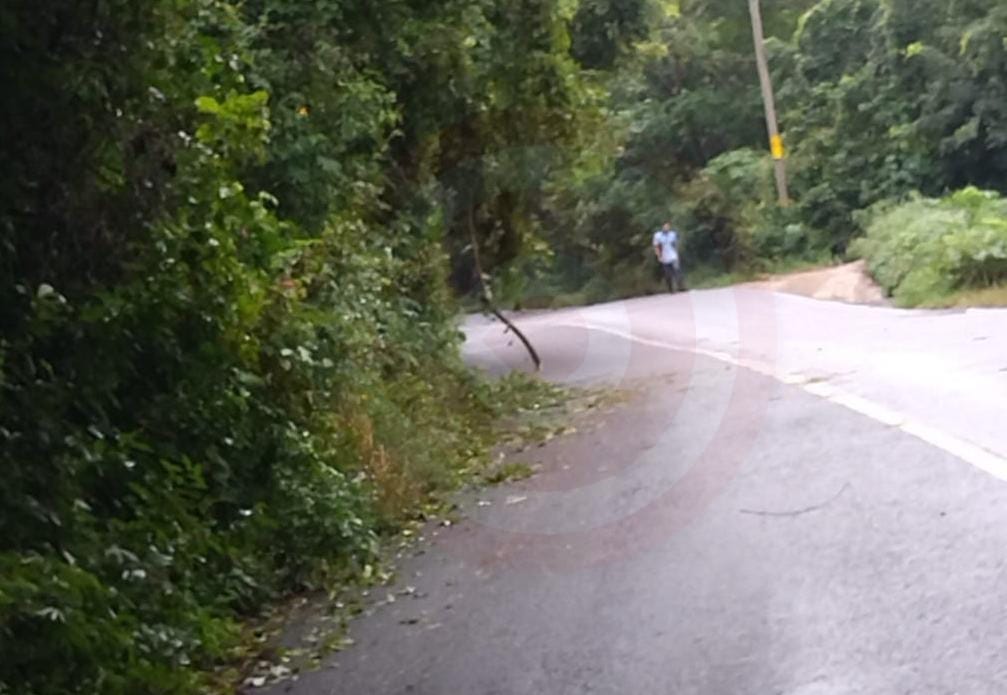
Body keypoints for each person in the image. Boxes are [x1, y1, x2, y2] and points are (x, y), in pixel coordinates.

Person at [653, 222, 686, 293]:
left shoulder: (672, 234)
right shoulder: (657, 236)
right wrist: (658, 256)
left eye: (668, 227)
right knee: (668, 274)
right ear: (662, 227)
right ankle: (670, 289)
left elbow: (675, 244)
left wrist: (677, 254)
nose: (666, 228)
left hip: (673, 256)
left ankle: (681, 287)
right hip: (664, 257)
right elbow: (656, 247)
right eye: (665, 226)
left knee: (677, 271)